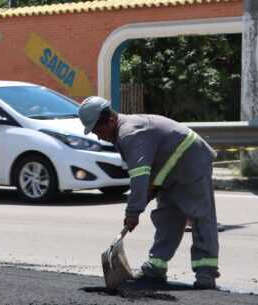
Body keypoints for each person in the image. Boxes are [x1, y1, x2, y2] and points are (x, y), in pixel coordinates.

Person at [79, 97, 219, 289]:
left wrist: (133, 212)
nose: (98, 136)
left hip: (190, 160)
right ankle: (156, 268)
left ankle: (206, 274)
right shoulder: (122, 133)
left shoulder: (130, 133)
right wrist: (146, 195)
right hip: (168, 167)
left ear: (111, 120)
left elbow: (139, 177)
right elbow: (147, 174)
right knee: (167, 217)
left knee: (200, 215)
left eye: (98, 131)